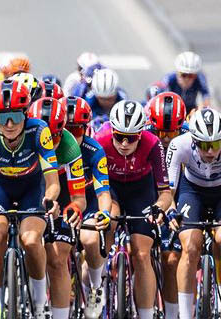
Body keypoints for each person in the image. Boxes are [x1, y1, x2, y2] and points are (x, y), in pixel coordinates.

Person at [0, 80, 60, 319]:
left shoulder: (39, 130)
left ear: (26, 113)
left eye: (16, 116)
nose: (9, 124)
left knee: (30, 240)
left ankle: (40, 305)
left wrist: (50, 199)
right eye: (3, 117)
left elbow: (52, 181)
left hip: (32, 186)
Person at [168, 109, 221, 319]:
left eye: (215, 144)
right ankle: (185, 314)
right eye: (204, 145)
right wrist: (170, 210)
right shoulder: (179, 144)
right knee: (189, 247)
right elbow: (167, 192)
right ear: (194, 140)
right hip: (192, 191)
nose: (209, 152)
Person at [95, 100, 172, 319]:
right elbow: (97, 189)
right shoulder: (100, 141)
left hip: (141, 190)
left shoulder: (153, 144)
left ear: (141, 134)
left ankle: (146, 314)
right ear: (112, 132)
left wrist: (158, 208)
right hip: (111, 188)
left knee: (141, 252)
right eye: (119, 136)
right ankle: (96, 276)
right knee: (110, 220)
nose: (125, 143)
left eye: (132, 138)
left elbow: (165, 193)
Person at [28, 98, 86, 319]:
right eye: (43, 137)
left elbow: (78, 197)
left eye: (53, 137)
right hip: (30, 190)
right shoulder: (21, 136)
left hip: (59, 194)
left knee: (58, 257)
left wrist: (74, 208)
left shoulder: (70, 146)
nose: (48, 143)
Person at [60, 96, 111, 319]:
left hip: (87, 201)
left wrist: (105, 213)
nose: (72, 134)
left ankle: (96, 286)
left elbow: (103, 193)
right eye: (67, 128)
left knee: (90, 238)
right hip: (62, 202)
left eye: (77, 129)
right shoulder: (52, 145)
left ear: (86, 128)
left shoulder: (94, 150)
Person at [145, 92, 187, 319]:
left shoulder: (191, 136)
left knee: (171, 259)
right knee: (139, 252)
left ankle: (172, 313)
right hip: (147, 191)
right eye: (159, 132)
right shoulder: (142, 134)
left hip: (181, 193)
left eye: (171, 132)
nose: (165, 138)